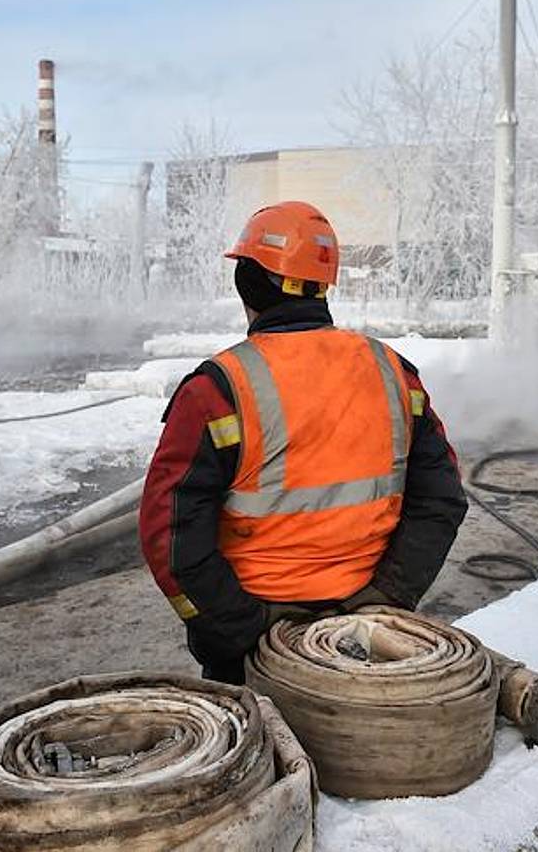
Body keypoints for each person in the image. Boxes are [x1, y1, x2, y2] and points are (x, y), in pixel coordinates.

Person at [138, 200, 468, 684]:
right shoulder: (392, 371)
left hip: (251, 652)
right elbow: (441, 499)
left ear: (246, 283)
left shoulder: (219, 388)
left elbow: (168, 534)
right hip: (366, 635)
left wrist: (239, 629)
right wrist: (387, 597)